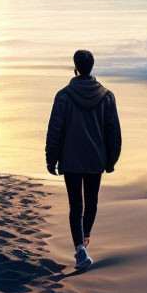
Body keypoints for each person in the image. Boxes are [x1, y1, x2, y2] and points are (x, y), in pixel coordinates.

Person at [45, 49, 122, 269]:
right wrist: (111, 160)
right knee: (91, 203)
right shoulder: (107, 96)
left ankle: (80, 248)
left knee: (76, 205)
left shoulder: (64, 95)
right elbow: (113, 132)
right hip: (95, 160)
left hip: (71, 160)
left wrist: (51, 158)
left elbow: (55, 130)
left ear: (75, 66)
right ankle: (84, 239)